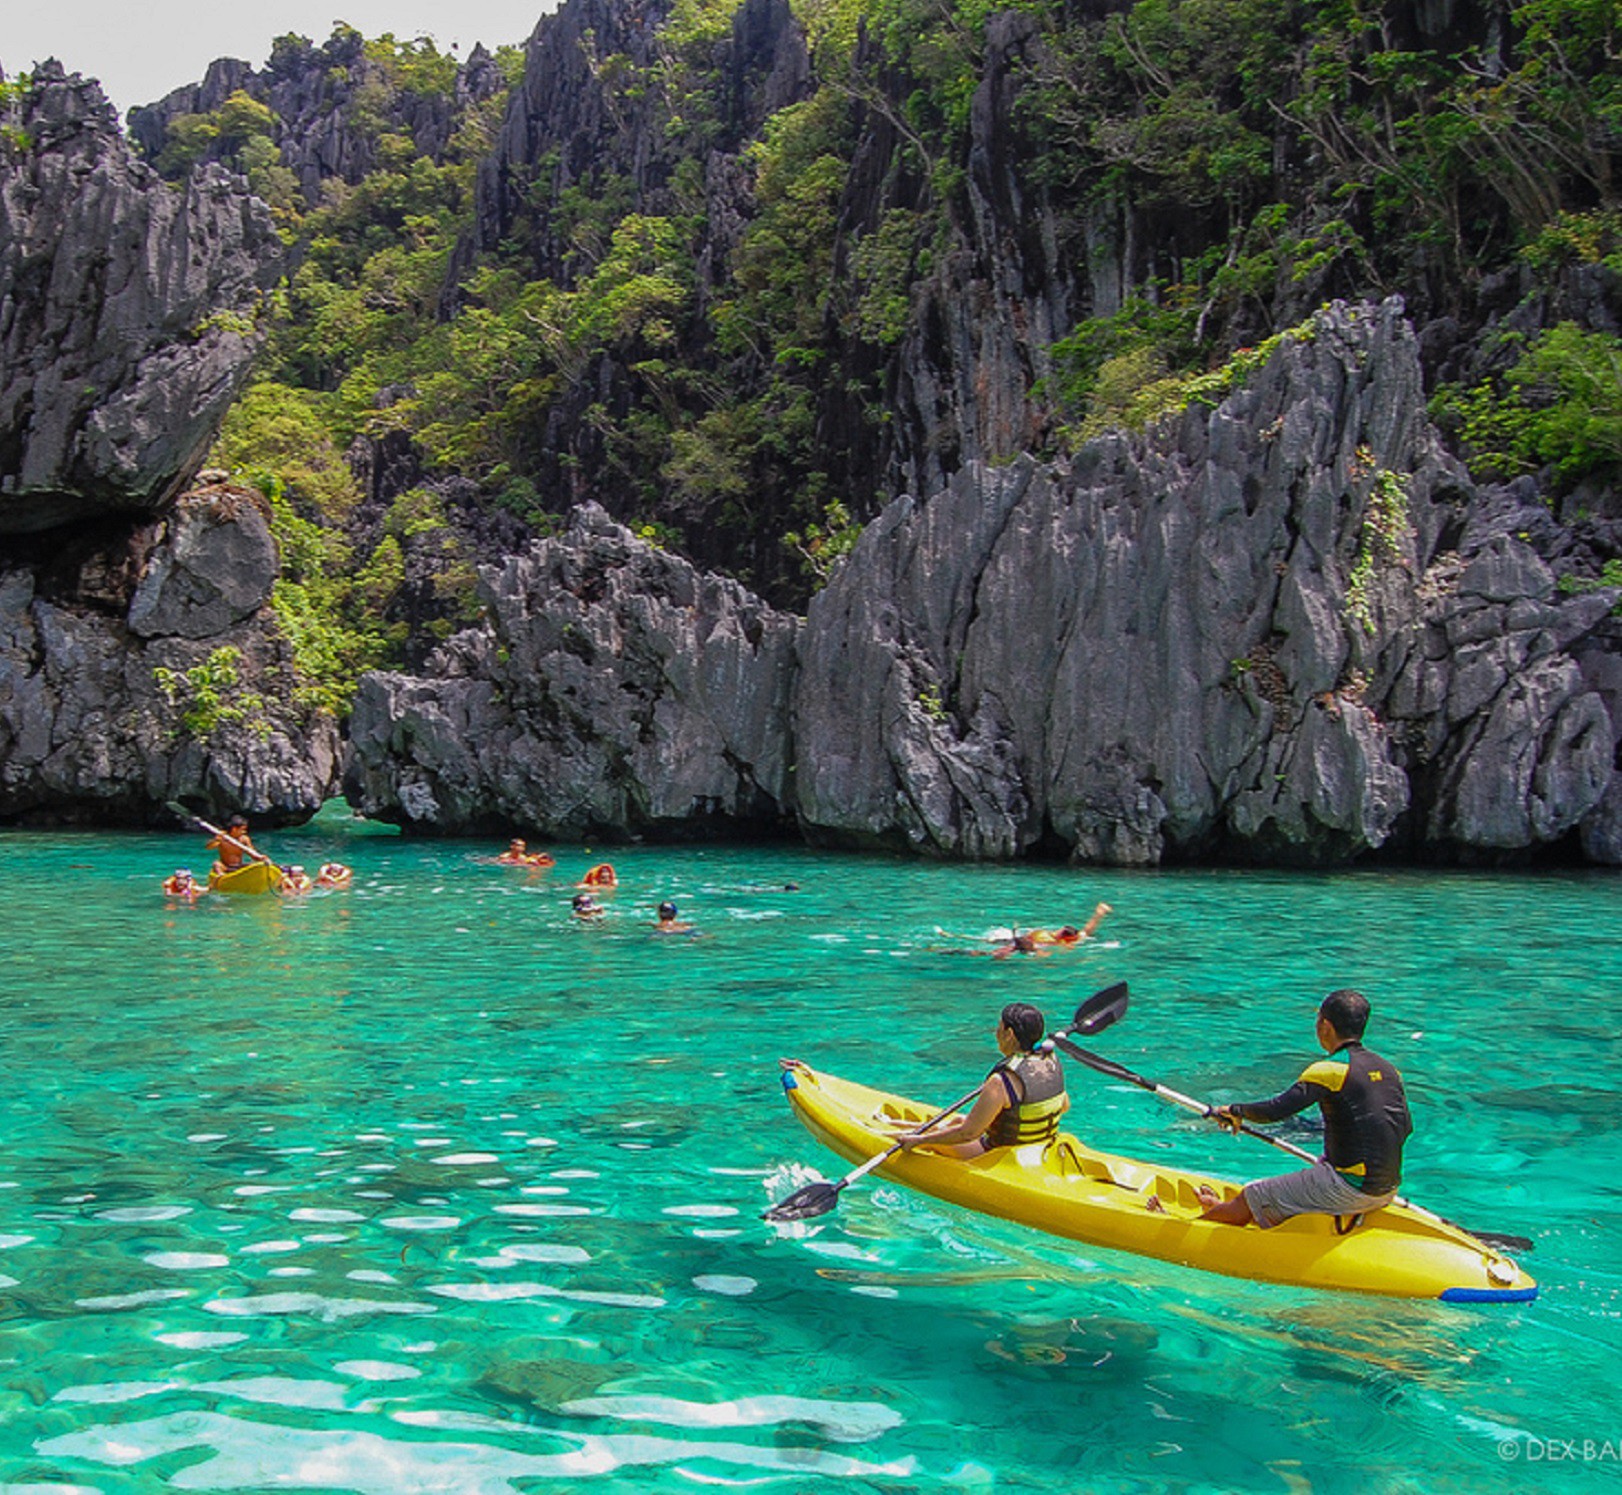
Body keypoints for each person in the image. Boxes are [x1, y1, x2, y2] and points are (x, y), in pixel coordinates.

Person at [1196, 989, 1412, 1229]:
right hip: (1388, 1188)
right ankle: (1226, 1211)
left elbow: (1275, 1111)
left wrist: (1235, 1110)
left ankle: (1192, 1226)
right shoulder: (1391, 1071)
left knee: (1252, 1195)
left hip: (1350, 1188)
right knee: (1300, 1182)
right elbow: (1404, 1129)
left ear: (1325, 1026)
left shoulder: (1328, 1070)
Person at [892, 1003, 1070, 1159]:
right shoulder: (1050, 1061)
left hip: (998, 1155)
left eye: (999, 1027)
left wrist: (919, 1141)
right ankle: (899, 1125)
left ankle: (905, 1135)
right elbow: (1063, 1106)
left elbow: (968, 1134)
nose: (996, 1033)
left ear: (1009, 1034)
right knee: (957, 1122)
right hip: (1037, 1149)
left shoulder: (1000, 1081)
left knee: (937, 1139)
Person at [1028, 902, 1113, 946]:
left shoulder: (1047, 936)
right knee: (1085, 933)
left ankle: (1099, 913)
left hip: (1039, 938)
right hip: (1039, 938)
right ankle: (1099, 913)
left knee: (1085, 933)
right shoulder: (1047, 938)